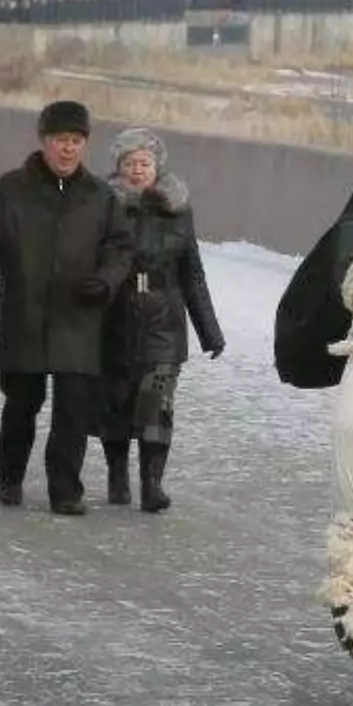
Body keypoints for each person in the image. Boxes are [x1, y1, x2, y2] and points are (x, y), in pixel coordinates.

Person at [0, 100, 133, 515]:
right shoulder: (8, 192)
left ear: (85, 144)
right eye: (60, 140)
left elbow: (121, 250)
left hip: (78, 319)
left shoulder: (101, 197)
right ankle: (11, 475)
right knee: (22, 404)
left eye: (76, 141)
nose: (68, 149)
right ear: (44, 140)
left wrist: (105, 281)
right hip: (25, 316)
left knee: (74, 408)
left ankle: (65, 490)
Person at [99, 128, 226, 512]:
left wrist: (210, 331)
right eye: (129, 164)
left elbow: (193, 274)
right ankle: (117, 475)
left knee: (158, 404)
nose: (137, 171)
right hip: (115, 318)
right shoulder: (103, 207)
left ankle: (152, 483)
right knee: (117, 403)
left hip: (164, 322)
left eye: (144, 163)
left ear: (157, 167)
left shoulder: (178, 210)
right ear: (118, 169)